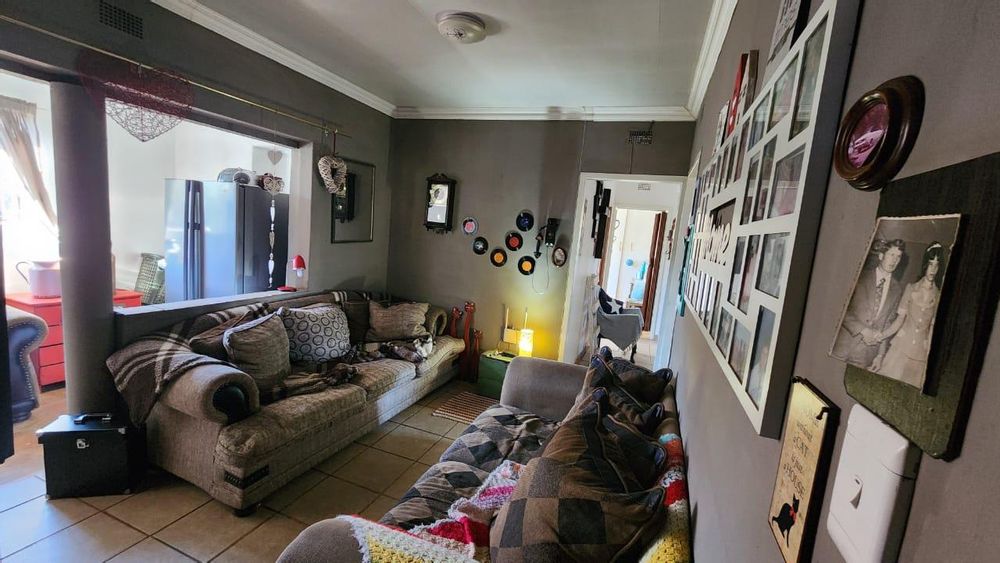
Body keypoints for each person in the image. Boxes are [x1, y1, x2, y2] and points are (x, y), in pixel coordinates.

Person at [871, 243, 945, 388]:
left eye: (937, 265)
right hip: (900, 348)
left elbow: (932, 330)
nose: (933, 269)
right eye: (930, 264)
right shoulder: (910, 288)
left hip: (920, 355)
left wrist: (930, 357)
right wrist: (882, 335)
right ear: (925, 265)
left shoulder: (939, 296)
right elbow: (899, 321)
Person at [832, 239, 906, 369]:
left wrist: (880, 355)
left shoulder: (897, 289)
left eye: (898, 257)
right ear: (881, 256)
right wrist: (863, 330)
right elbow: (839, 307)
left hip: (866, 354)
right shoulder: (859, 275)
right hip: (842, 345)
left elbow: (887, 323)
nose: (894, 260)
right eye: (891, 255)